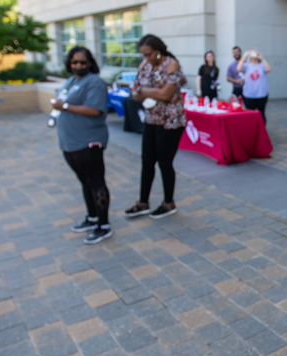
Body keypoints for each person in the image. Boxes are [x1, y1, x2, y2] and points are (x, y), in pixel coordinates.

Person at [53, 47, 113, 245]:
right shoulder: (72, 80)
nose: (78, 66)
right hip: (71, 142)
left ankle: (103, 226)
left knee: (96, 182)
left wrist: (66, 107)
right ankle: (92, 217)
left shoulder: (94, 83)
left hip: (88, 142)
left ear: (90, 63)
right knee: (85, 181)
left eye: (82, 62)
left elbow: (95, 110)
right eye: (74, 62)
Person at [124, 34, 187, 219]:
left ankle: (169, 203)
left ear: (158, 52)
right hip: (151, 119)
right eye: (143, 55)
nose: (146, 58)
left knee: (164, 162)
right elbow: (135, 93)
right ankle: (143, 202)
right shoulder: (145, 65)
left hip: (170, 121)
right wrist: (148, 92)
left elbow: (165, 95)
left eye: (149, 54)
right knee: (147, 161)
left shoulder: (171, 64)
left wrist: (143, 91)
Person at [237, 48, 271, 123]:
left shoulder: (262, 65)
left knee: (261, 113)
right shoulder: (246, 65)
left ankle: (262, 131)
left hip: (261, 95)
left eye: (255, 53)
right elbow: (239, 68)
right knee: (250, 114)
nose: (254, 55)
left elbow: (268, 69)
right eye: (252, 54)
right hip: (249, 95)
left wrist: (262, 58)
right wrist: (244, 56)